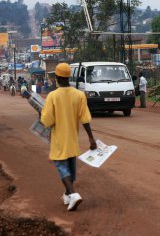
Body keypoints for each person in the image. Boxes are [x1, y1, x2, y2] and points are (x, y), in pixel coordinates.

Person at [41, 63, 97, 212]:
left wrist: (42, 114)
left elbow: (47, 121)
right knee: (71, 170)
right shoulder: (79, 95)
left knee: (62, 167)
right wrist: (91, 138)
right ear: (68, 76)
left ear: (57, 78)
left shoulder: (52, 96)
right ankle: (67, 194)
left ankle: (73, 194)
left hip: (59, 140)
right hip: (72, 140)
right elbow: (85, 118)